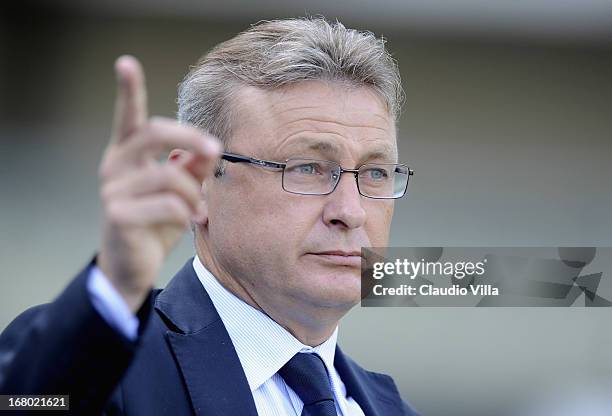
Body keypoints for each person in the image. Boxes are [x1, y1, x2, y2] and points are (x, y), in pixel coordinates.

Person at [0, 17, 418, 415]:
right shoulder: (104, 365)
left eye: (375, 173)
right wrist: (117, 285)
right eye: (307, 168)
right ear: (198, 183)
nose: (350, 211)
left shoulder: (391, 409)